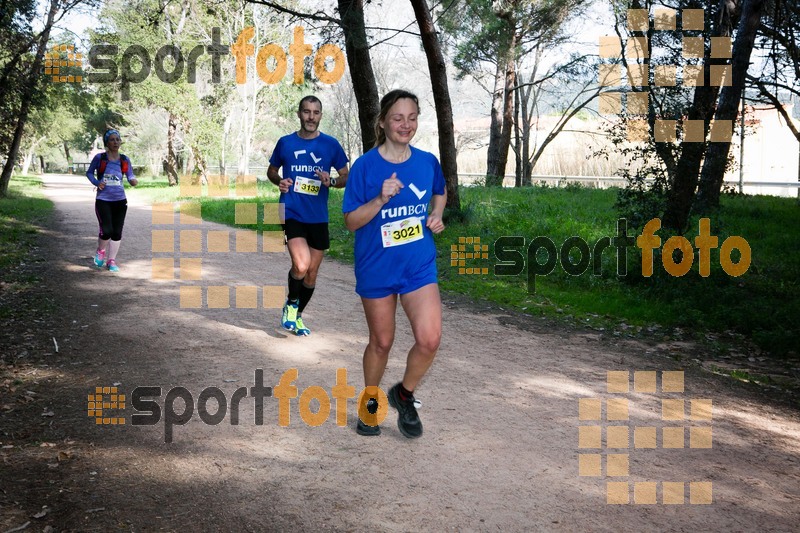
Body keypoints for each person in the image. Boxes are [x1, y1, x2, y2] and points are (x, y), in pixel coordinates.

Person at [342, 89, 446, 438]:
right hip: (377, 266)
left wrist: (436, 214)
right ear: (383, 122)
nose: (406, 124)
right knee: (382, 342)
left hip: (418, 263)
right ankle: (370, 405)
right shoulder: (365, 167)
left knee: (430, 340)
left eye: (412, 117)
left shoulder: (427, 161)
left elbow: (440, 191)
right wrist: (380, 197)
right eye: (398, 118)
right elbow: (352, 221)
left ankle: (403, 394)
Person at [267, 95, 349, 336]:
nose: (311, 117)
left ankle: (297, 314)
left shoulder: (331, 145)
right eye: (306, 111)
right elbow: (272, 171)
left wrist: (331, 180)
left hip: (318, 216)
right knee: (301, 265)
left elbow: (345, 175)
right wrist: (279, 181)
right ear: (299, 114)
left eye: (315, 112)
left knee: (312, 273)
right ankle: (291, 304)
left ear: (320, 115)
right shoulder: (285, 143)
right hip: (291, 210)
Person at [86, 129, 138, 273]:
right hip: (103, 199)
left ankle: (111, 260)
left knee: (117, 232)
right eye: (112, 139)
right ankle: (100, 250)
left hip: (120, 200)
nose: (115, 142)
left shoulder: (124, 159)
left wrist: (133, 180)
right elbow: (89, 172)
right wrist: (97, 183)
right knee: (107, 230)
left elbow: (130, 175)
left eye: (117, 139)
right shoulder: (100, 158)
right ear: (107, 143)